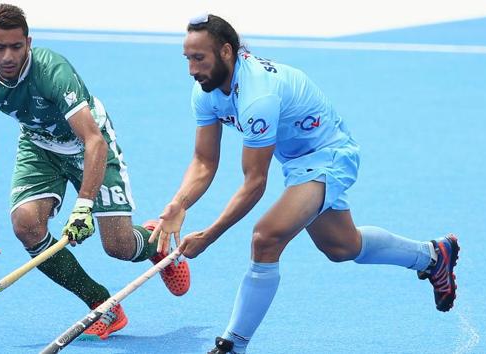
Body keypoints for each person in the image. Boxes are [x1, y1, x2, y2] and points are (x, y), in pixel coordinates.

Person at [148, 13, 459, 354]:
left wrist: (210, 235)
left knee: (265, 238)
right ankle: (432, 256)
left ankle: (233, 345)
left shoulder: (257, 99)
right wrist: (179, 204)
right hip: (297, 162)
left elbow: (254, 182)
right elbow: (204, 162)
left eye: (199, 59)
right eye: (188, 59)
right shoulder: (205, 91)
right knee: (342, 246)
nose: (192, 69)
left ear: (226, 52)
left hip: (329, 155)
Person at [0, 3, 190, 341]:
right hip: (40, 146)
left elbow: (93, 141)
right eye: (0, 48)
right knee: (25, 224)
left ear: (29, 42)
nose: (9, 56)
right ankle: (102, 305)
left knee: (118, 246)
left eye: (16, 46)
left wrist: (83, 205)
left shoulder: (53, 71)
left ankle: (154, 242)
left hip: (89, 145)